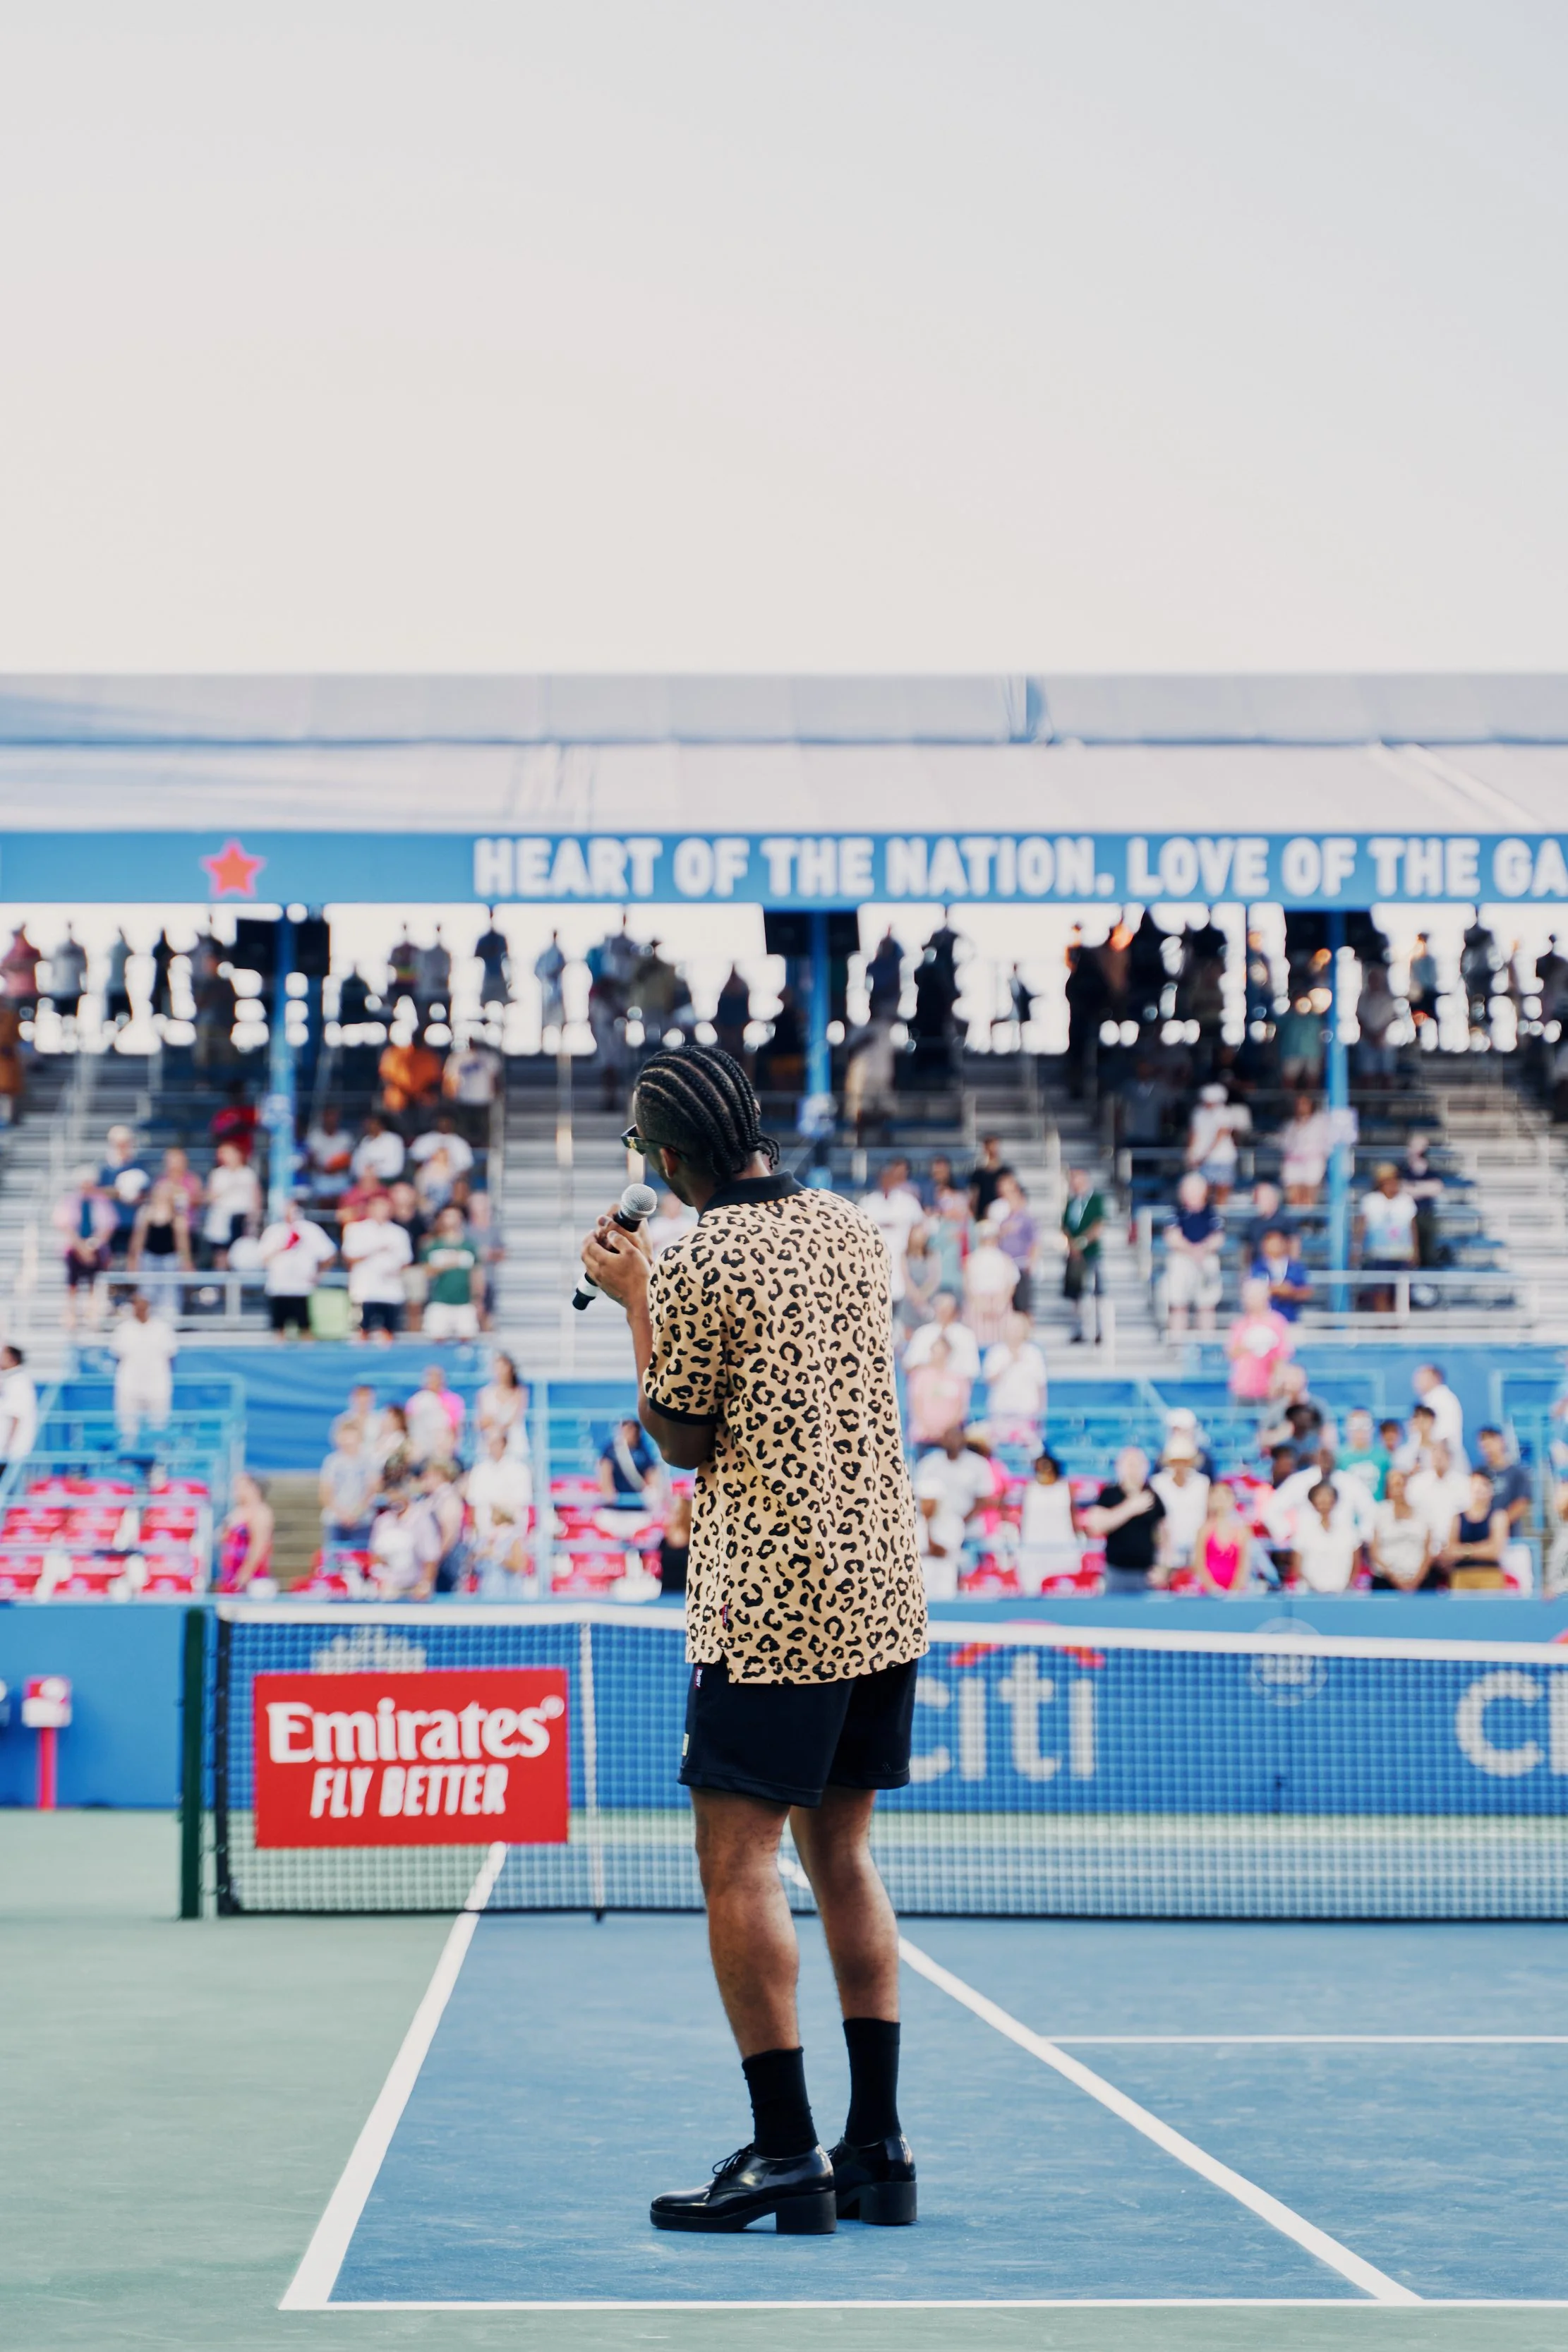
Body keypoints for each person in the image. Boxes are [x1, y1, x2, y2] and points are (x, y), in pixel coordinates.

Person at [577, 1043, 926, 2236]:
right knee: (844, 1858)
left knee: (738, 1864)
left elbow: (677, 1433)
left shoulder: (699, 1253)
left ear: (668, 1159)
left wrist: (636, 1297)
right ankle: (875, 2147)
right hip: (882, 1584)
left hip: (773, 1598)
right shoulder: (849, 1225)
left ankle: (785, 2152)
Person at [912, 1425, 994, 1598]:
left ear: (963, 1439)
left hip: (969, 1529)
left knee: (964, 1574)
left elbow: (983, 1498)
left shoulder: (977, 1464)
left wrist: (957, 1524)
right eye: (947, 1437)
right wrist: (935, 1523)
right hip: (934, 1526)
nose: (952, 1441)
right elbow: (920, 1494)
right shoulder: (930, 1463)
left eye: (956, 1437)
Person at [1084, 1447, 1166, 1596]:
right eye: (1129, 1464)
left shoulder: (1153, 1496)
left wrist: (1163, 1567)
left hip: (1146, 1574)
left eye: (1137, 1464)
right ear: (1119, 1467)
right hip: (1116, 1572)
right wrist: (1130, 1508)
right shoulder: (1109, 1494)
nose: (1133, 1469)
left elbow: (1164, 1535)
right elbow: (1096, 1526)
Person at [258, 1198, 337, 1338]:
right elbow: (263, 1259)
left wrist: (319, 1274)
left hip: (302, 1288)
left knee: (305, 1328)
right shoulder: (274, 1231)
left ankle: (307, 1357)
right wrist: (282, 1248)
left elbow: (329, 1254)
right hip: (279, 1287)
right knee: (279, 1329)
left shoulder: (310, 1230)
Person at [342, 1192, 414, 1342]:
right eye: (377, 1206)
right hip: (365, 1291)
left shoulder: (399, 1233)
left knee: (389, 1332)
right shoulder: (356, 1230)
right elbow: (350, 1257)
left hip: (390, 1291)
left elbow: (406, 1261)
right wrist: (376, 1250)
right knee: (361, 1331)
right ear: (368, 1208)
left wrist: (393, 1270)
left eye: (385, 1206)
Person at [54, 1166, 116, 1329]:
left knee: (93, 1282)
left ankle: (92, 1314)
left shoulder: (101, 1202)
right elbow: (66, 1226)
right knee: (72, 1282)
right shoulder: (69, 1201)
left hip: (95, 1248)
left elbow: (107, 1226)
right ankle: (71, 1314)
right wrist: (81, 1247)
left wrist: (92, 1245)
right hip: (74, 1248)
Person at [857, 1159, 924, 1310]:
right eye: (883, 1177)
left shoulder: (908, 1202)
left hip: (903, 1262)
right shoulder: (867, 1202)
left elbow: (919, 1227)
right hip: (874, 1262)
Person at [1164, 1173, 1224, 1339]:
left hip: (1206, 1259)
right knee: (1178, 1304)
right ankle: (1177, 1344)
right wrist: (1191, 1250)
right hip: (1182, 1259)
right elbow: (1172, 1237)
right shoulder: (1177, 1212)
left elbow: (1218, 1237)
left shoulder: (1211, 1213)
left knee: (1206, 1305)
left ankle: (1206, 1344)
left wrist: (1203, 1249)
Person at [111, 1293, 177, 1442]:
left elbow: (171, 1356)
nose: (140, 1308)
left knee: (159, 1427)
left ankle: (159, 1464)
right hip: (129, 1385)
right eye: (136, 1304)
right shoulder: (123, 1329)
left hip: (157, 1385)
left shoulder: (162, 1328)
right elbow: (117, 1356)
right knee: (127, 1429)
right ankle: (127, 1463)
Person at [1224, 1277, 1293, 1406]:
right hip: (1243, 1388)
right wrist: (1248, 1345)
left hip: (1269, 1391)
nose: (1250, 1300)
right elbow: (1231, 1353)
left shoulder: (1277, 1322)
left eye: (1255, 1296)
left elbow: (1282, 1356)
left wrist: (1276, 1381)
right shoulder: (1240, 1324)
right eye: (1248, 1296)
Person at [1017, 1453, 1080, 1593]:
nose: (1044, 1470)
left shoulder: (1066, 1487)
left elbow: (1073, 1517)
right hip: (1032, 1550)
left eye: (1047, 1466)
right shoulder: (1029, 1488)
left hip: (1062, 1549)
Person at [1358, 1164, 1419, 1310]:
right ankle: (1382, 1324)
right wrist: (1357, 1248)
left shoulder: (1406, 1201)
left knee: (1400, 1292)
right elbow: (1362, 1226)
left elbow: (1412, 1228)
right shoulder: (1371, 1201)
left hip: (1401, 1254)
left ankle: (1396, 1325)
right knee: (1380, 1291)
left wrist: (1415, 1251)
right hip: (1378, 1254)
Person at [1437, 1470, 1509, 1591]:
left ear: (1491, 1490)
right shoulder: (1457, 1518)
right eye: (1476, 1484)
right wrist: (1482, 1548)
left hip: (1490, 1575)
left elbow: (1495, 1551)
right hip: (1461, 1575)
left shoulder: (1498, 1516)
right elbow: (1451, 1550)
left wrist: (1463, 1550)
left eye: (1484, 1485)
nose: (1480, 1489)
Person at [981, 1312, 1047, 1445]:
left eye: (1018, 1328)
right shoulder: (996, 1352)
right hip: (1001, 1409)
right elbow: (989, 1379)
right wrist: (1008, 1363)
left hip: (1027, 1410)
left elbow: (1041, 1384)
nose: (1015, 1332)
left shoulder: (1033, 1353)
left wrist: (1041, 1412)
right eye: (1011, 1328)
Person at [420, 1206, 483, 1341]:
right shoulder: (433, 1246)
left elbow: (476, 1273)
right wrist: (448, 1263)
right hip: (440, 1300)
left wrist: (478, 1298)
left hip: (465, 1301)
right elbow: (427, 1272)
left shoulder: (469, 1246)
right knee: (437, 1337)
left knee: (467, 1337)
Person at [1060, 1165, 1106, 1346]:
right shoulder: (1071, 1203)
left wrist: (1082, 1243)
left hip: (1090, 1254)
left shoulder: (1096, 1201)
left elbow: (1098, 1226)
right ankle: (1079, 1329)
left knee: (1095, 1292)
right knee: (1076, 1295)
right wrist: (1072, 1245)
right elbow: (1064, 1226)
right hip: (1074, 1256)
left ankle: (1098, 1329)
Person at [1289, 1480, 1362, 1594]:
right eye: (1319, 1496)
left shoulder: (1348, 1531)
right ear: (1313, 1501)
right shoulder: (1304, 1532)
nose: (1324, 1500)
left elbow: (1356, 1563)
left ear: (1335, 1500)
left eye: (1327, 1495)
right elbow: (1297, 1566)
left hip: (1342, 1593)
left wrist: (1346, 1586)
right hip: (1312, 1593)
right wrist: (1314, 1589)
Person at [320, 1417, 380, 1552]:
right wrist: (342, 1515)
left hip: (363, 1520)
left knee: (361, 1559)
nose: (348, 1440)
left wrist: (356, 1513)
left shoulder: (368, 1460)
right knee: (334, 1560)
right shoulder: (332, 1462)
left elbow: (373, 1489)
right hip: (335, 1520)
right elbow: (325, 1493)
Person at [1151, 1435, 1210, 1572]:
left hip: (1196, 1550)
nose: (1180, 1466)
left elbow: (1207, 1514)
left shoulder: (1202, 1483)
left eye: (1184, 1461)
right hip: (1165, 1552)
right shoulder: (1158, 1483)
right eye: (1176, 1461)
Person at [466, 1428, 533, 1548]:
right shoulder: (479, 1471)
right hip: (484, 1538)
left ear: (504, 1443)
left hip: (511, 1537)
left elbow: (520, 1505)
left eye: (496, 1442)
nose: (492, 1446)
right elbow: (474, 1505)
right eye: (489, 1442)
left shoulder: (519, 1470)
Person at [1407, 1440, 1472, 1560]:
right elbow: (1412, 1517)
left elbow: (1469, 1518)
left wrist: (1452, 1549)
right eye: (1435, 1452)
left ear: (1450, 1457)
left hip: (1457, 1550)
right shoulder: (1416, 1484)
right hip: (1422, 1550)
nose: (1438, 1457)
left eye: (1443, 1453)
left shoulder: (1465, 1485)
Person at [1370, 1467, 1433, 1591]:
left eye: (1401, 1484)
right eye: (1394, 1486)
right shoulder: (1380, 1512)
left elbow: (1428, 1550)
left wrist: (1417, 1579)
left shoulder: (1424, 1514)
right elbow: (1374, 1552)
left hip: (1418, 1580)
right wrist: (1395, 1577)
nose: (1398, 1490)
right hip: (1386, 1580)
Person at [905, 1334, 972, 1448]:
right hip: (925, 1434)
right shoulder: (920, 1377)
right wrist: (931, 1429)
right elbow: (916, 1405)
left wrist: (946, 1430)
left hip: (950, 1436)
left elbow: (962, 1408)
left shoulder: (958, 1378)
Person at [1186, 1082, 1248, 1203]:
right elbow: (1194, 1134)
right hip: (1203, 1160)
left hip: (1222, 1159)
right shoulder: (1198, 1113)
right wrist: (1191, 1154)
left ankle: (1221, 1217)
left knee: (1223, 1190)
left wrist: (1204, 1155)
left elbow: (1220, 1135)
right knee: (1203, 1192)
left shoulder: (1225, 1113)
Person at [202, 1140, 260, 1270]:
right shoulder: (218, 1174)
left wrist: (253, 1221)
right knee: (221, 1255)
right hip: (221, 1220)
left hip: (241, 1219)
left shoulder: (248, 1174)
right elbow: (210, 1197)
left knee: (240, 1254)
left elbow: (256, 1200)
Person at [902, 1290, 980, 1382]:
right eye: (940, 1306)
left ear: (955, 1311)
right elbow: (909, 1366)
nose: (943, 1311)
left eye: (947, 1308)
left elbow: (971, 1372)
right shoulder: (922, 1333)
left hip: (954, 1388)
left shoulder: (966, 1336)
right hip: (925, 1386)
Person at [216, 1471, 275, 1594]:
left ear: (253, 1488)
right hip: (231, 1573)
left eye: (240, 1487)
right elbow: (222, 1538)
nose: (236, 1492)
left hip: (252, 1577)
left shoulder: (260, 1513)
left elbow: (259, 1546)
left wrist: (246, 1572)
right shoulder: (237, 1512)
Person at [990, 1173, 1039, 1317]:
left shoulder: (1026, 1218)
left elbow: (1035, 1241)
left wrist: (1032, 1261)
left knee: (1023, 1305)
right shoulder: (1003, 1220)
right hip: (1006, 1267)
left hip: (1021, 1265)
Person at [1194, 1482, 1253, 1596]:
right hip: (1208, 1593)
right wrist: (1213, 1589)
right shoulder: (1204, 1530)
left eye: (1225, 1496)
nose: (1221, 1500)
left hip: (1236, 1592)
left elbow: (1244, 1565)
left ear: (1233, 1499)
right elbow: (1199, 1564)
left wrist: (1235, 1590)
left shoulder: (1242, 1530)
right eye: (1216, 1496)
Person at [406, 1363, 464, 1466]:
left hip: (444, 1448)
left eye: (436, 1378)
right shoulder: (418, 1400)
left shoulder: (453, 1400)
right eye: (430, 1378)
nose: (432, 1382)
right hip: (421, 1448)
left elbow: (455, 1428)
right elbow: (409, 1424)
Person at [1278, 1094, 1332, 1207]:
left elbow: (1328, 1143)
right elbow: (1284, 1144)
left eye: (1304, 1103)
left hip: (1313, 1161)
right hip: (1293, 1162)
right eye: (1298, 1104)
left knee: (1308, 1198)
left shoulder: (1320, 1121)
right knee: (1293, 1198)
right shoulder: (1290, 1124)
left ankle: (1307, 1222)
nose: (1301, 1107)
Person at [1251, 1227, 1311, 1322]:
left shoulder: (1295, 1267)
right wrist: (1274, 1290)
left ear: (1285, 1244)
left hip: (1290, 1319)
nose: (1275, 1246)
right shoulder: (1257, 1267)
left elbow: (1306, 1292)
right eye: (1271, 1243)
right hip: (1264, 1321)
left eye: (1278, 1243)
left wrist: (1291, 1292)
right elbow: (1251, 1291)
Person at [475, 1352, 529, 1455]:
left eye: (502, 1367)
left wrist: (496, 1422)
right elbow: (482, 1420)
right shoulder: (485, 1393)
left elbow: (515, 1418)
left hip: (513, 1440)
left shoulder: (519, 1392)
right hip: (491, 1440)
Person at [598, 1416, 660, 1503]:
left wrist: (652, 1491)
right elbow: (605, 1471)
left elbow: (651, 1472)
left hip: (638, 1503)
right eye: (627, 1428)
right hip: (615, 1504)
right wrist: (609, 1492)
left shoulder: (643, 1451)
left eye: (633, 1429)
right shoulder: (611, 1450)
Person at [1413, 1364, 1466, 1462]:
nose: (1416, 1383)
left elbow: (1444, 1434)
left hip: (1442, 1456)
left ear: (1435, 1378)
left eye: (1421, 1378)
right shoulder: (1430, 1399)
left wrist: (1438, 1454)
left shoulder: (1443, 1399)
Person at [0, 1344, 37, 1466]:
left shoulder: (18, 1382)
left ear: (11, 1358)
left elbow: (16, 1415)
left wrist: (8, 1446)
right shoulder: (9, 1380)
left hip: (11, 1451)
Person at [968, 1135, 1014, 1222]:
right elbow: (974, 1196)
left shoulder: (1005, 1172)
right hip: (983, 1216)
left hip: (1002, 1215)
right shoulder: (978, 1173)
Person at [352, 1113, 406, 1186]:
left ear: (380, 1125)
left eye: (372, 1124)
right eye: (367, 1124)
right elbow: (356, 1168)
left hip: (388, 1182)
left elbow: (395, 1169)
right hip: (365, 1182)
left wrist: (375, 1170)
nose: (368, 1127)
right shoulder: (364, 1141)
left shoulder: (394, 1140)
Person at [476, 908, 512, 1013]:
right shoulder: (486, 939)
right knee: (485, 1004)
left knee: (502, 1004)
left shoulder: (498, 938)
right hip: (490, 976)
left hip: (497, 976)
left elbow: (506, 958)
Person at [660, 1489, 692, 1596]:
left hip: (686, 1594)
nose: (673, 1515)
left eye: (677, 1512)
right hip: (666, 1595)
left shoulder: (694, 1541)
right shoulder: (664, 1540)